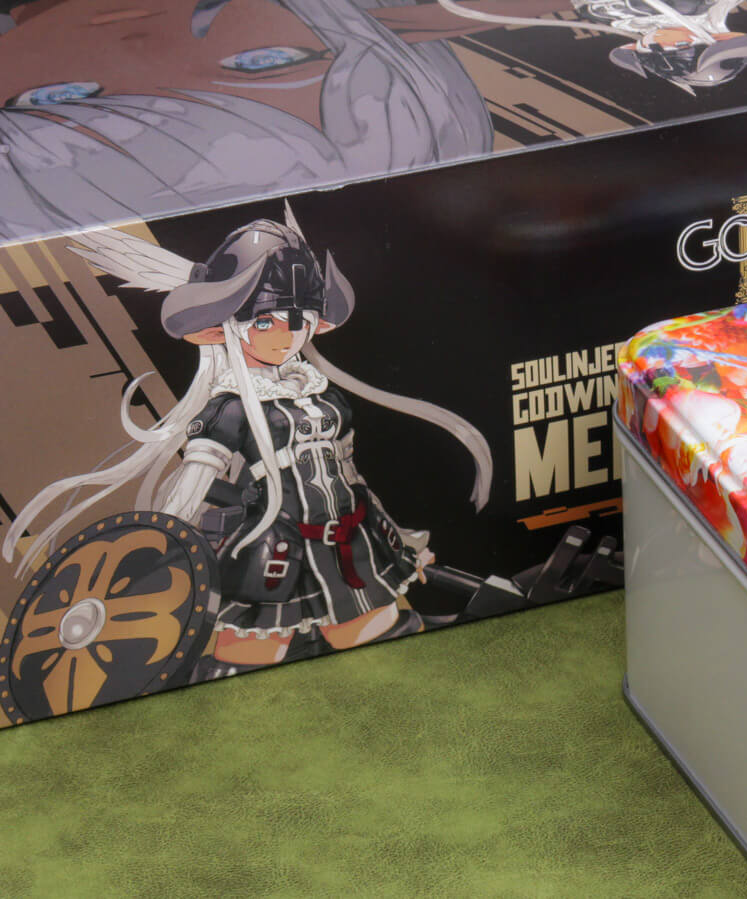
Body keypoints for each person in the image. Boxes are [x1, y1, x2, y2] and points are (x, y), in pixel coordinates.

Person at [1, 208, 493, 677]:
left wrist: (398, 538)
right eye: (263, 321)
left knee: (374, 633)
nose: (285, 335)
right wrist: (158, 555)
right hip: (272, 555)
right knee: (252, 656)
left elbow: (350, 479)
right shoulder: (232, 408)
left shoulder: (325, 397)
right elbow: (192, 487)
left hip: (348, 545)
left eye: (298, 319)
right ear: (222, 328)